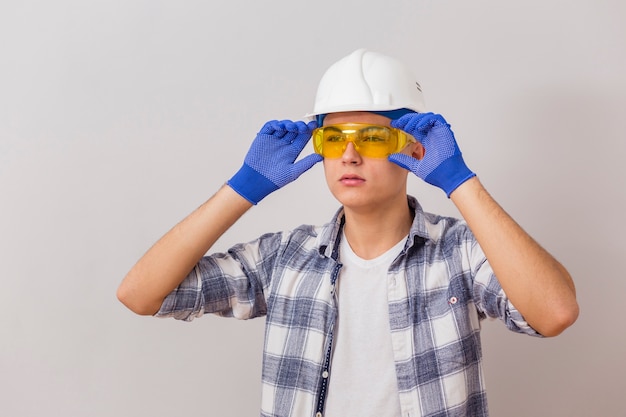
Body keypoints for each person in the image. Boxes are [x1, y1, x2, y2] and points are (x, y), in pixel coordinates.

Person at [117, 48, 579, 417]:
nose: (350, 155)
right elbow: (141, 294)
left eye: (372, 137)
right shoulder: (284, 258)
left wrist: (459, 181)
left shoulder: (457, 252)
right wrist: (242, 189)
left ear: (414, 146)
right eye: (334, 138)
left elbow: (554, 312)